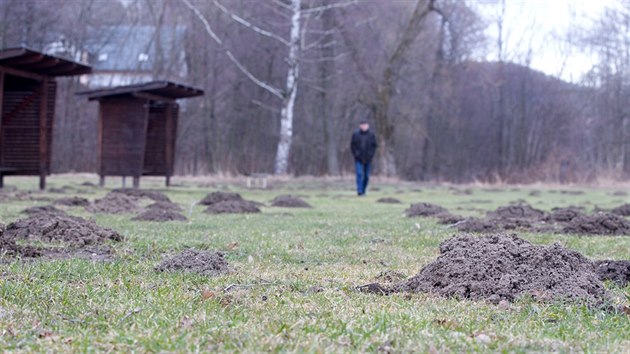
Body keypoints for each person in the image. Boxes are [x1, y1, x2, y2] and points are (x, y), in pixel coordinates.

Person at [350, 120, 378, 196]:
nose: (363, 127)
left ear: (367, 126)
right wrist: (356, 154)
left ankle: (363, 189)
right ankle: (359, 190)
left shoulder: (371, 135)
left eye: (365, 125)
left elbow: (374, 146)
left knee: (366, 176)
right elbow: (352, 146)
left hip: (368, 158)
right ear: (360, 126)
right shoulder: (356, 134)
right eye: (362, 125)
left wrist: (370, 155)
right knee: (359, 174)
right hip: (358, 158)